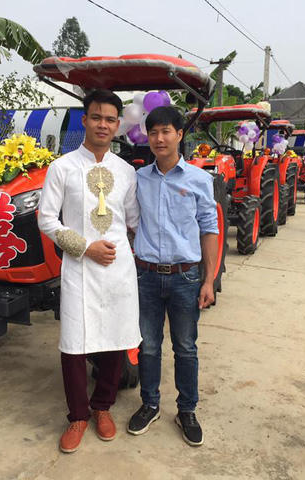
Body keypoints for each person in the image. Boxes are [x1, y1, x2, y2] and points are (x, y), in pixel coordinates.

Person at [37, 89, 141, 454]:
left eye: (110, 119)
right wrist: (85, 247)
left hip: (117, 268)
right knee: (74, 343)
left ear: (118, 125)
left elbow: (133, 221)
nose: (103, 125)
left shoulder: (126, 172)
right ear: (84, 120)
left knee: (115, 336)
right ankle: (78, 415)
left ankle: (103, 407)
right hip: (80, 265)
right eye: (96, 117)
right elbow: (46, 219)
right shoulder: (62, 168)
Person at [127, 106, 219, 447]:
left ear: (180, 134)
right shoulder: (138, 179)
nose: (159, 138)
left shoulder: (199, 179)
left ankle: (187, 410)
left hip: (185, 277)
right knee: (148, 346)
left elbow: (209, 229)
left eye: (166, 131)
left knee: (185, 347)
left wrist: (208, 280)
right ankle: (150, 404)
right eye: (153, 132)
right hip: (147, 276)